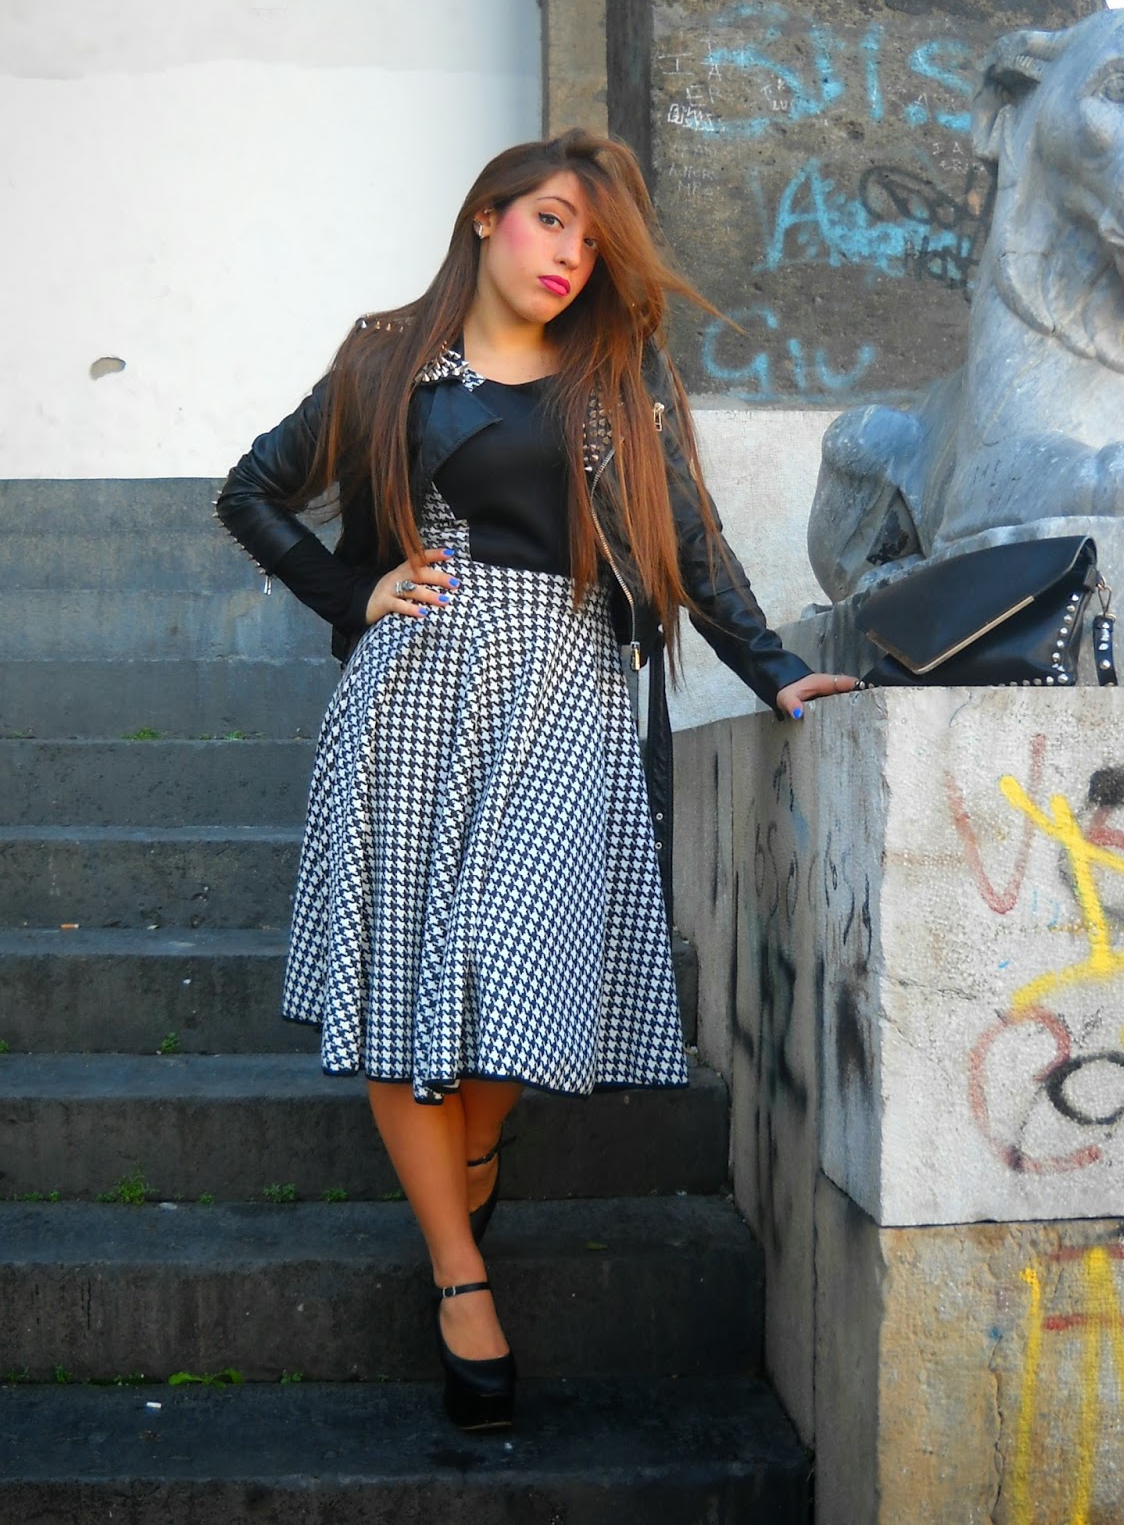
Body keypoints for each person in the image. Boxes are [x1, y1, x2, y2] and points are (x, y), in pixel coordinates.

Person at [215, 128, 854, 1433]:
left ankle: (475, 1150)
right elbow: (252, 491)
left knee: (517, 953)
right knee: (404, 980)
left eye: (592, 240)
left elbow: (689, 541)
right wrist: (350, 591)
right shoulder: (388, 358)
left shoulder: (617, 374)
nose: (571, 254)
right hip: (411, 697)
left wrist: (777, 668)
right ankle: (461, 1275)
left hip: (565, 695)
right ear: (486, 217)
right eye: (552, 219)